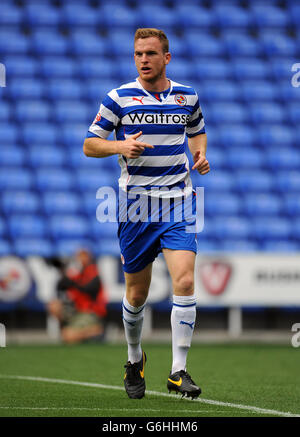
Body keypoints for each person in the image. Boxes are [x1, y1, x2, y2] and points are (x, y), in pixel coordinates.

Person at [83, 28, 210, 399]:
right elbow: (90, 144)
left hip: (178, 200)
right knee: (137, 295)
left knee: (184, 283)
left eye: (151, 53)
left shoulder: (188, 97)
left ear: (166, 58)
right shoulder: (118, 98)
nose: (143, 59)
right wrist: (120, 144)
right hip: (136, 205)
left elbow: (197, 131)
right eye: (138, 53)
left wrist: (199, 153)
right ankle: (134, 357)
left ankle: (178, 371)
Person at [48, 249, 107, 344]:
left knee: (69, 337)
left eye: (82, 257)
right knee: (54, 305)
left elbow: (89, 289)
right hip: (77, 310)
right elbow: (61, 285)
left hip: (90, 312)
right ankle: (70, 329)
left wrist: (73, 283)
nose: (80, 260)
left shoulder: (93, 273)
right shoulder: (78, 274)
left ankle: (96, 332)